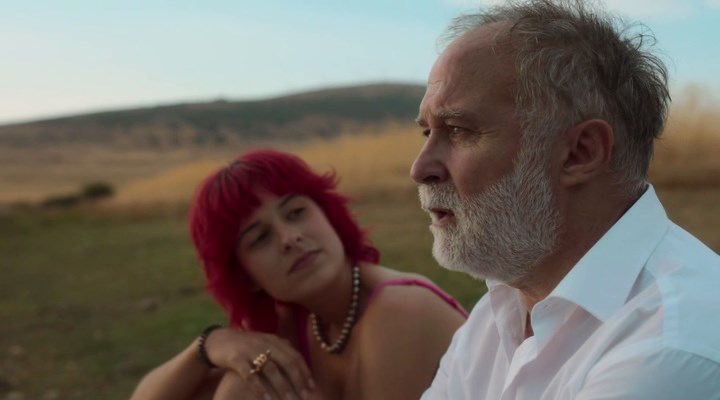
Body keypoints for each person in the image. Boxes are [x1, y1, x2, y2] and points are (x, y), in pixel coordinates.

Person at [411, 0, 720, 399]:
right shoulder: (495, 316)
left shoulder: (671, 345)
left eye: (458, 129)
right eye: (428, 132)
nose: (421, 168)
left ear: (580, 154)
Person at [130, 149, 467, 400]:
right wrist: (207, 347)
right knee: (244, 380)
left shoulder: (400, 309)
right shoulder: (296, 322)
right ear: (246, 276)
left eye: (296, 212)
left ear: (328, 214)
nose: (289, 238)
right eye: (260, 238)